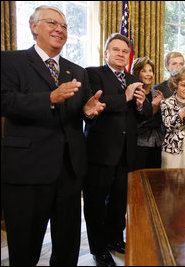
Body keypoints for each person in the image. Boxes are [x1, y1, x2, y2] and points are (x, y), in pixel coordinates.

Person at [1, 5, 105, 266]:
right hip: (28, 172)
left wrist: (88, 112)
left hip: (69, 173)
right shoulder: (9, 61)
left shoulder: (77, 71)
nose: (60, 29)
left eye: (65, 26)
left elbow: (78, 111)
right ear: (34, 27)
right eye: (52, 23)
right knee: (24, 248)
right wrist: (49, 97)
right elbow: (6, 102)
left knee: (67, 247)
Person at [83, 33, 152, 266]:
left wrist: (142, 105)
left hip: (126, 153)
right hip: (100, 152)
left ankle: (115, 239)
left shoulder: (133, 78)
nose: (121, 54)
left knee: (119, 203)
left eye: (125, 51)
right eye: (116, 50)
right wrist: (126, 96)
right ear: (106, 53)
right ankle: (99, 249)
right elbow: (96, 104)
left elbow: (145, 115)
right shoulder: (92, 73)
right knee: (95, 204)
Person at [133, 56, 164, 169]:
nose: (148, 74)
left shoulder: (156, 94)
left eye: (150, 71)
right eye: (144, 70)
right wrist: (153, 108)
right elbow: (137, 124)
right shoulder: (133, 94)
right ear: (137, 73)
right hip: (139, 144)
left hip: (157, 144)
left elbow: (160, 122)